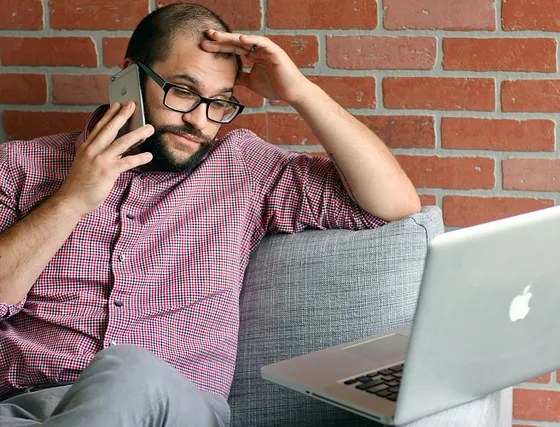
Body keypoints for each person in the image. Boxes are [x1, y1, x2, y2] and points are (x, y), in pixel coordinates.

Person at [0, 3, 421, 427]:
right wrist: (71, 200)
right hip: (21, 408)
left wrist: (300, 92)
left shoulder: (242, 169)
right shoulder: (20, 166)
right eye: (182, 91)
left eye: (219, 103)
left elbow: (393, 204)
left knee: (127, 370)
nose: (199, 121)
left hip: (171, 408)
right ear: (130, 76)